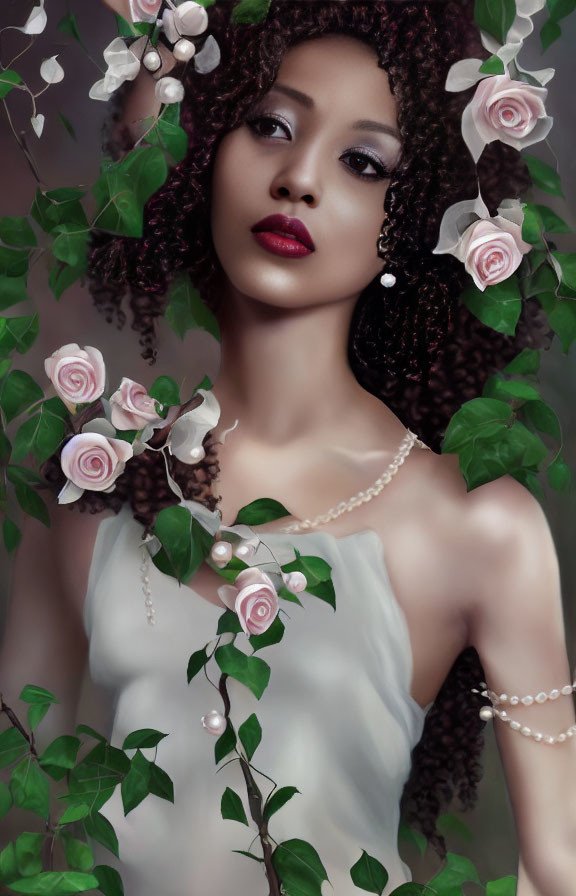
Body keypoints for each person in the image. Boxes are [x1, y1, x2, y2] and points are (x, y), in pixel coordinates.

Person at [1, 1, 575, 894]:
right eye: (270, 125)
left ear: (415, 215)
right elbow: (18, 821)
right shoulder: (91, 490)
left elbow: (560, 868)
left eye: (362, 161)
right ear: (204, 154)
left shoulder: (481, 526)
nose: (299, 178)